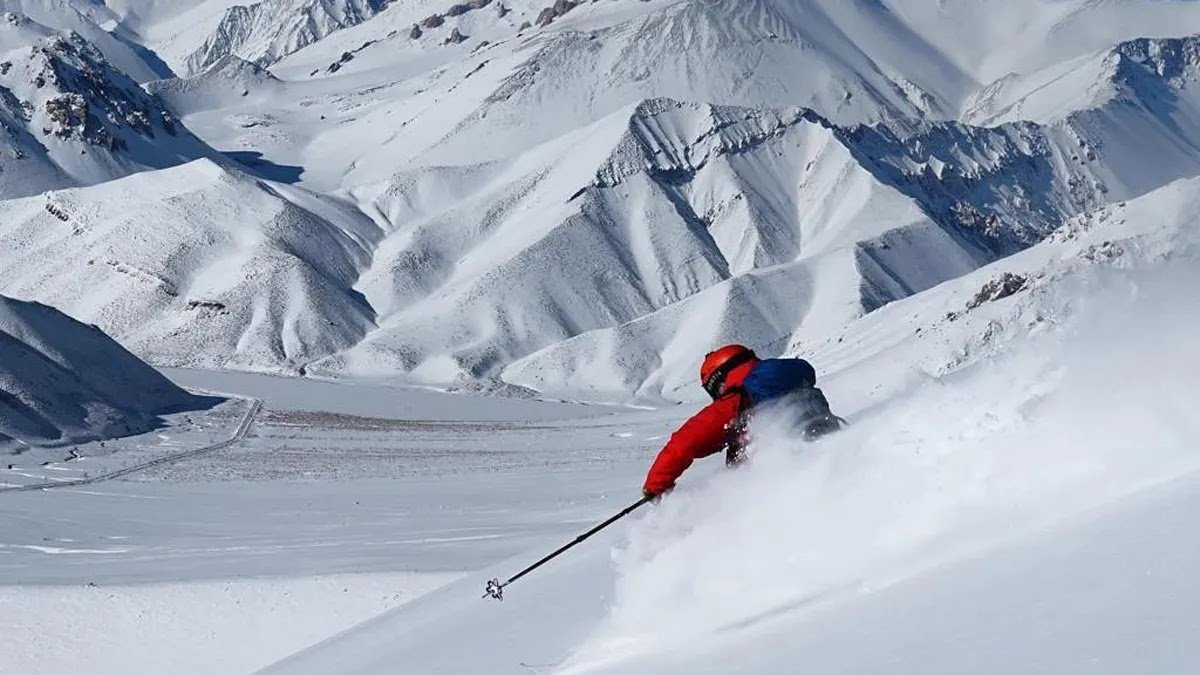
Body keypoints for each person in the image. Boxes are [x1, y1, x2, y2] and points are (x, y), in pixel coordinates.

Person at [642, 344, 843, 499]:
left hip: (774, 484)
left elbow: (683, 442)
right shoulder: (788, 382)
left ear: (719, 382)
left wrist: (654, 487)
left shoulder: (735, 401)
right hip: (829, 456)